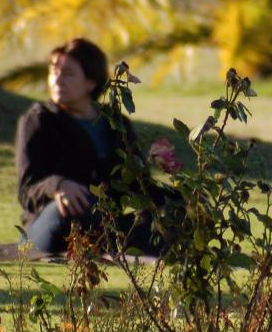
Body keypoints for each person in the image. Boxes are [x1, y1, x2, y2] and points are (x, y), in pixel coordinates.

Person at [16, 37, 165, 257]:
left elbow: (138, 183)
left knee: (174, 206)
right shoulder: (39, 120)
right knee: (73, 209)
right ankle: (119, 243)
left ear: (91, 82)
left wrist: (176, 198)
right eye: (53, 71)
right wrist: (58, 185)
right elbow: (26, 191)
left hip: (106, 219)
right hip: (54, 222)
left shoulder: (116, 124)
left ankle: (122, 242)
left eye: (67, 73)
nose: (57, 79)